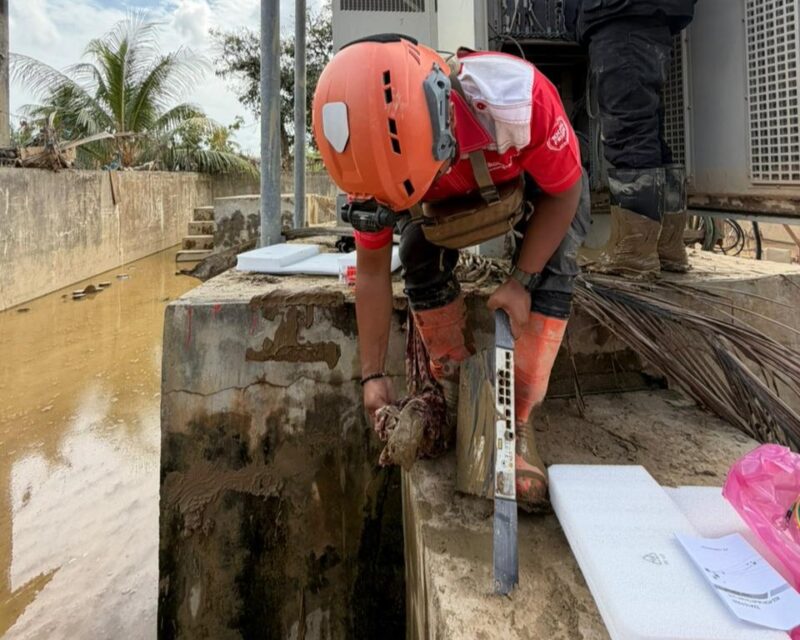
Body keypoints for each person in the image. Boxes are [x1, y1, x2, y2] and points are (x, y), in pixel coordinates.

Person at [312, 34, 589, 510]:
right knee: (417, 250)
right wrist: (372, 374)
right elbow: (375, 271)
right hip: (444, 214)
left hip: (525, 189)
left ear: (441, 121)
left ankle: (517, 419)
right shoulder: (367, 161)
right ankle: (460, 393)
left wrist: (521, 280)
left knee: (560, 250)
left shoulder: (515, 99)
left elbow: (564, 193)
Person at [564, 0, 697, 275]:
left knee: (629, 132)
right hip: (644, 14)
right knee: (648, 129)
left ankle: (634, 253)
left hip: (619, 13)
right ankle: (666, 248)